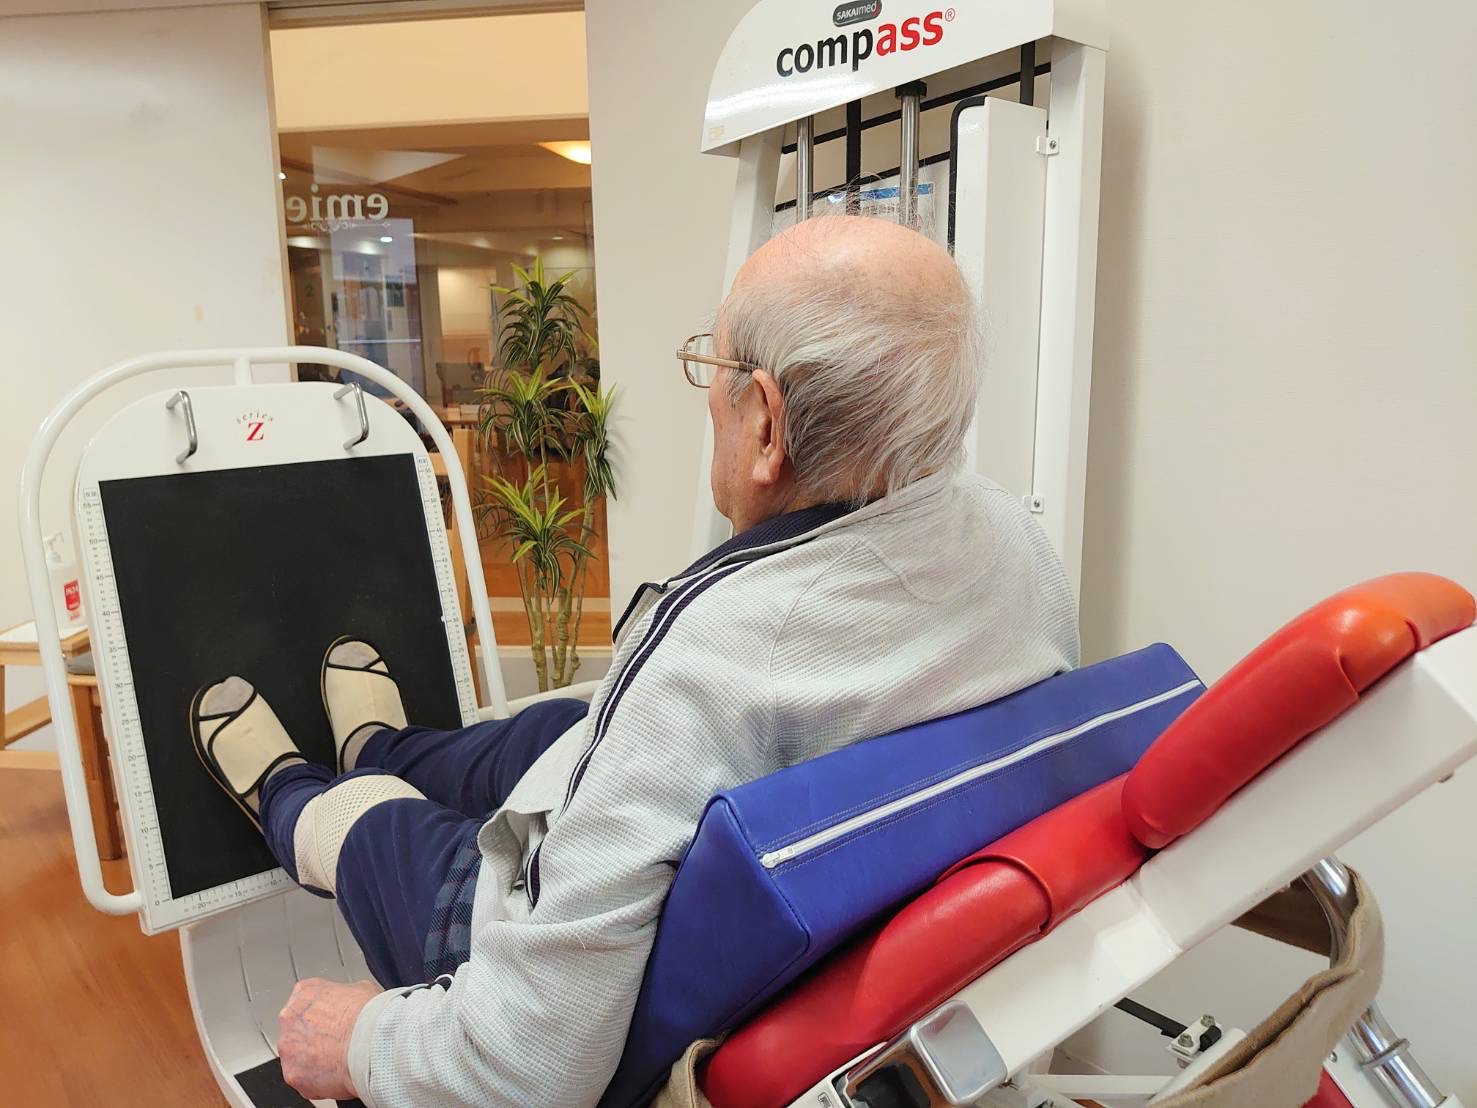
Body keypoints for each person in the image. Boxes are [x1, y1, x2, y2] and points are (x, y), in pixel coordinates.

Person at [188, 214, 1080, 1107]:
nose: (708, 394)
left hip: (553, 941)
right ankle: (378, 746)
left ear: (766, 423)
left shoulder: (719, 653)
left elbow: (523, 1068)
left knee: (381, 829)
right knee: (544, 732)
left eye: (714, 366)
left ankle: (291, 796)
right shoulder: (1014, 543)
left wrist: (361, 1042)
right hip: (708, 828)